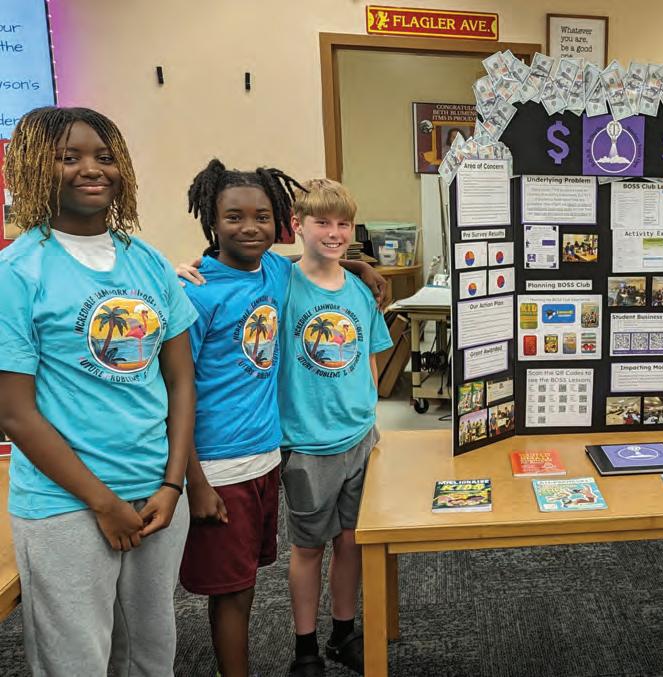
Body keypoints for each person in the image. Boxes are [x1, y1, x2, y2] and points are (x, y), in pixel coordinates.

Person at [0, 106, 196, 675]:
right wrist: (103, 503)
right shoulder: (17, 271)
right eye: (69, 157)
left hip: (157, 494)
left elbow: (181, 380)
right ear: (34, 167)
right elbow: (15, 414)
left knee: (151, 654)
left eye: (104, 156)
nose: (92, 169)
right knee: (76, 662)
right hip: (66, 504)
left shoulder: (148, 261)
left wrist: (173, 483)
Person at [178, 159, 304, 677]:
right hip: (218, 466)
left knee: (247, 578)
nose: (250, 228)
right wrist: (194, 481)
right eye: (234, 217)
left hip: (265, 456)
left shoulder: (274, 268)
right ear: (211, 220)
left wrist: (360, 269)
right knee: (229, 591)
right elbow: (175, 392)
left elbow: (305, 262)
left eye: (262, 216)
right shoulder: (196, 291)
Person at [280, 178, 394, 677]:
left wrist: (371, 416)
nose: (334, 233)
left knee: (352, 541)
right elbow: (232, 267)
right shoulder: (280, 285)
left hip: (360, 439)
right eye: (322, 222)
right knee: (308, 547)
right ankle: (305, 647)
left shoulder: (360, 290)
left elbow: (370, 357)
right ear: (297, 225)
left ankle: (342, 632)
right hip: (307, 443)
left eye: (343, 224)